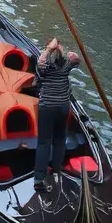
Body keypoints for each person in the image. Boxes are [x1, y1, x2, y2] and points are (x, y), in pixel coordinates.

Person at [33, 38, 80, 193]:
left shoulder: (44, 67)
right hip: (63, 107)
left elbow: (40, 62)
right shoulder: (67, 65)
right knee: (60, 139)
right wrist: (61, 49)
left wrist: (49, 48)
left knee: (44, 142)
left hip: (48, 108)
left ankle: (39, 178)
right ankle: (56, 170)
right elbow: (76, 58)